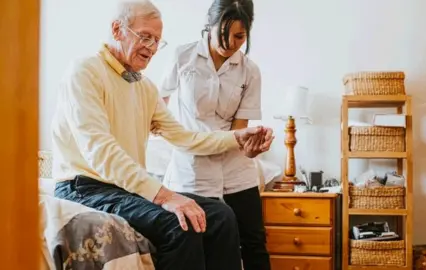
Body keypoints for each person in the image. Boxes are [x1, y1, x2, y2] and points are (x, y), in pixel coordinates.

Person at [50, 1, 274, 270]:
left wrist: (237, 138)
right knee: (181, 225)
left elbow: (185, 138)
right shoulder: (85, 72)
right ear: (117, 30)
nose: (152, 48)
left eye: (157, 40)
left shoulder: (145, 88)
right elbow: (101, 151)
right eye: (145, 37)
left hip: (124, 189)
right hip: (84, 186)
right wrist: (166, 196)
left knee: (221, 217)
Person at [160, 0, 271, 269]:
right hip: (192, 171)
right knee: (201, 246)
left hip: (236, 172)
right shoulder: (182, 56)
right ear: (208, 26)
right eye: (223, 33)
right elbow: (156, 107)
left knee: (254, 243)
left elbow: (238, 133)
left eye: (239, 36)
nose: (230, 42)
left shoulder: (250, 71)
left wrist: (251, 147)